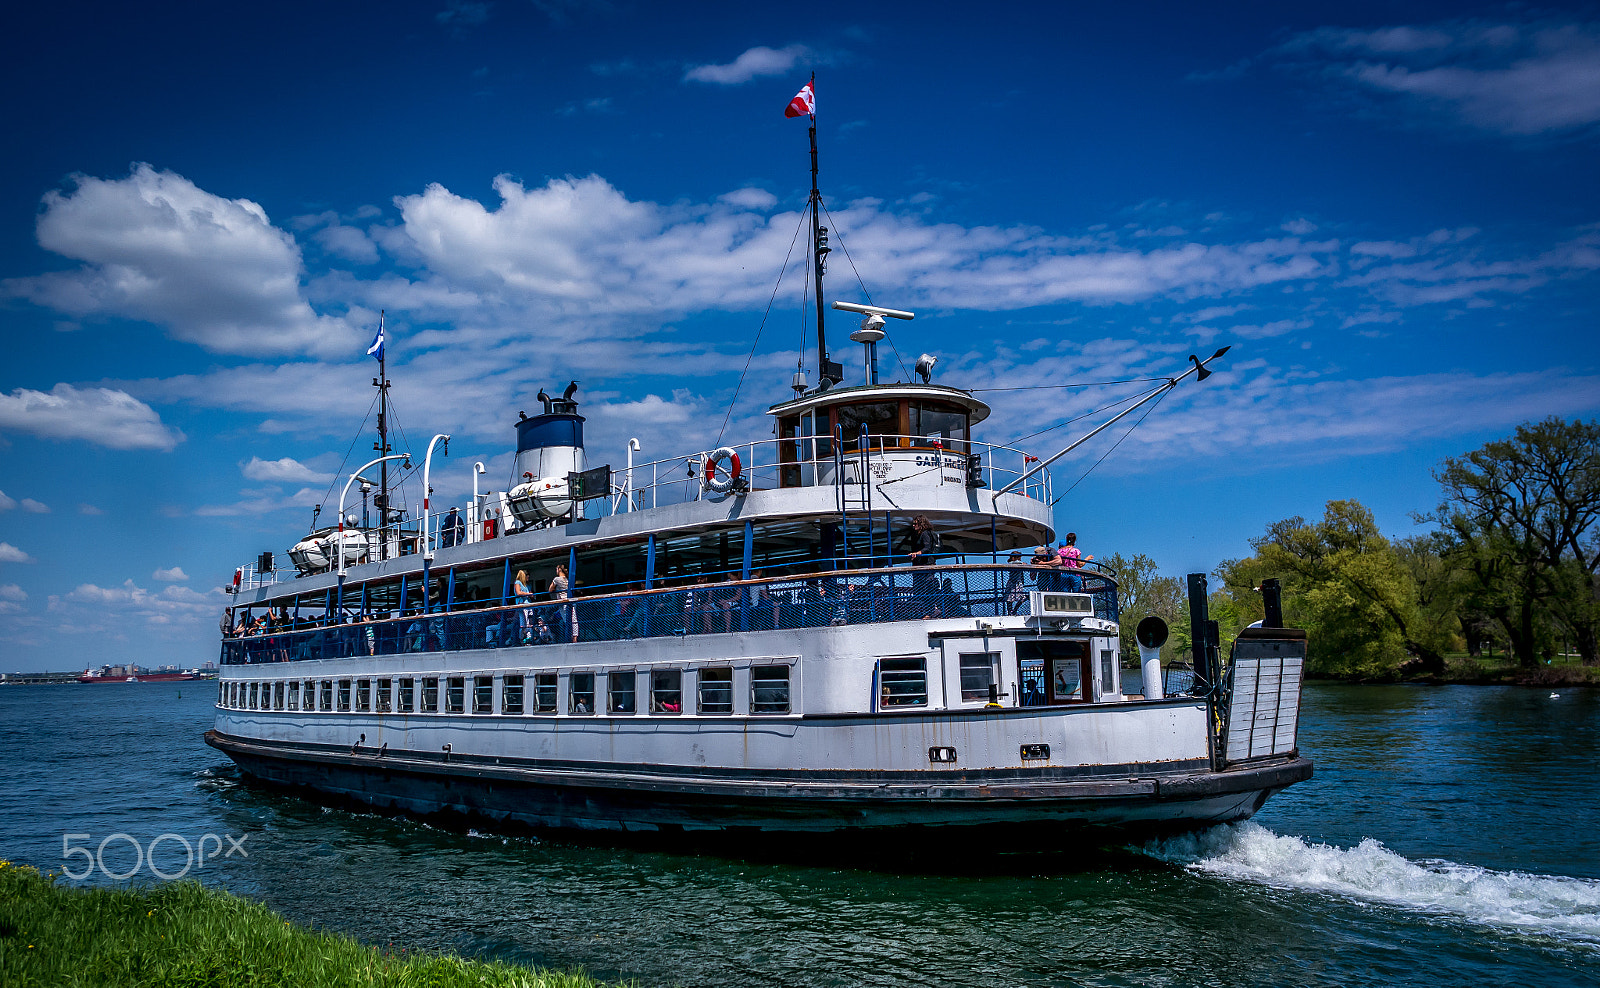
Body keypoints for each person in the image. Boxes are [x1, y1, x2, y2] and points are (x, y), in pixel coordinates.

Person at [514, 569, 533, 643]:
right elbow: (518, 592)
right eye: (526, 576)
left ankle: (529, 638)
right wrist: (528, 594)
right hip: (522, 604)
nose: (528, 577)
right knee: (523, 623)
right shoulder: (517, 582)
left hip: (529, 604)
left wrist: (531, 595)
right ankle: (522, 638)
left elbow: (530, 593)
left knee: (530, 623)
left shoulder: (527, 585)